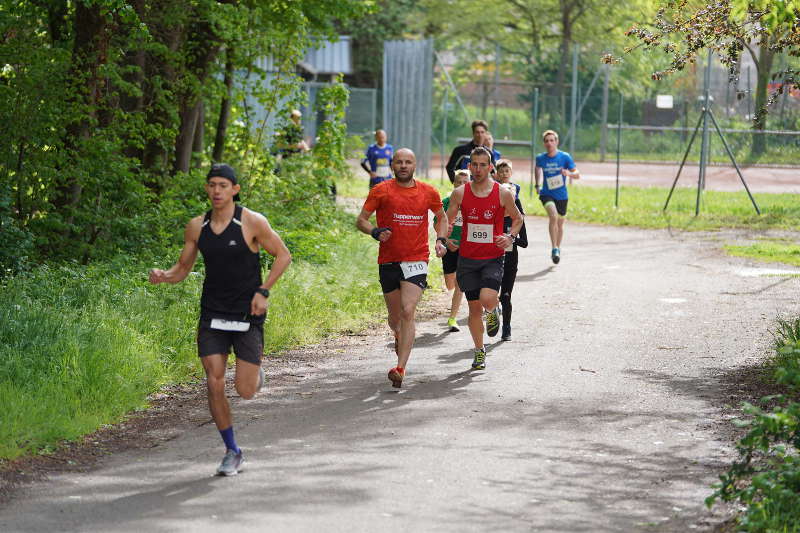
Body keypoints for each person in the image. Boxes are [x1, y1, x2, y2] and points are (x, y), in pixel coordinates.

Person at [149, 163, 292, 476]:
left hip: (247, 313)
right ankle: (232, 450)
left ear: (234, 190)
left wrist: (264, 291)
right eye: (212, 185)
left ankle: (254, 375)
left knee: (245, 390)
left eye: (223, 185)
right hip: (213, 313)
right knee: (214, 382)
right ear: (207, 188)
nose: (216, 191)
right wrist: (165, 276)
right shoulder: (196, 227)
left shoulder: (251, 222)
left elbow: (283, 255)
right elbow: (182, 268)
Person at [356, 148, 448, 388]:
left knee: (408, 311)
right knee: (395, 317)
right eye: (399, 162)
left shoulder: (428, 192)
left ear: (415, 165)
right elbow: (361, 220)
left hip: (416, 258)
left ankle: (400, 368)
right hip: (388, 260)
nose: (404, 166)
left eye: (408, 162)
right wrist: (375, 231)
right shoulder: (380, 191)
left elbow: (442, 217)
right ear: (393, 165)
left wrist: (440, 239)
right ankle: (398, 333)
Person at [446, 147, 523, 370]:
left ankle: (494, 310)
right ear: (469, 167)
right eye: (474, 165)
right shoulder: (460, 193)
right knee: (473, 309)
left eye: (483, 165)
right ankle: (479, 351)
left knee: (488, 297)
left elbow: (518, 219)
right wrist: (445, 238)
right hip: (468, 258)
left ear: (491, 168)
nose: (478, 169)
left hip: (492, 257)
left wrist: (509, 237)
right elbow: (446, 220)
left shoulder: (502, 193)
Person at [535, 130, 580, 264]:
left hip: (562, 196)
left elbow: (577, 174)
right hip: (546, 194)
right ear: (544, 144)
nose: (549, 143)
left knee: (560, 224)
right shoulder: (540, 158)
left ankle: (557, 249)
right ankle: (554, 247)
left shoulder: (565, 157)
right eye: (546, 141)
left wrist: (569, 174)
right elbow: (537, 169)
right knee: (553, 216)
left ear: (556, 142)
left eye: (552, 140)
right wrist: (537, 185)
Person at [495, 159, 528, 341]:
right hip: (491, 260)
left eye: (512, 194)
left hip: (510, 261)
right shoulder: (493, 214)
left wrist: (511, 238)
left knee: (505, 296)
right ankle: (493, 313)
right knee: (491, 295)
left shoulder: (517, 219)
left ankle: (506, 327)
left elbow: (525, 242)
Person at [437, 168, 471, 332]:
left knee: (459, 284)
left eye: (466, 182)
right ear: (454, 183)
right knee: (450, 283)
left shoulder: (473, 202)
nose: (462, 185)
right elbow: (437, 224)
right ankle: (452, 314)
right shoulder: (446, 201)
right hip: (449, 245)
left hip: (466, 247)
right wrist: (446, 240)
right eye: (459, 182)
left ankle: (452, 318)